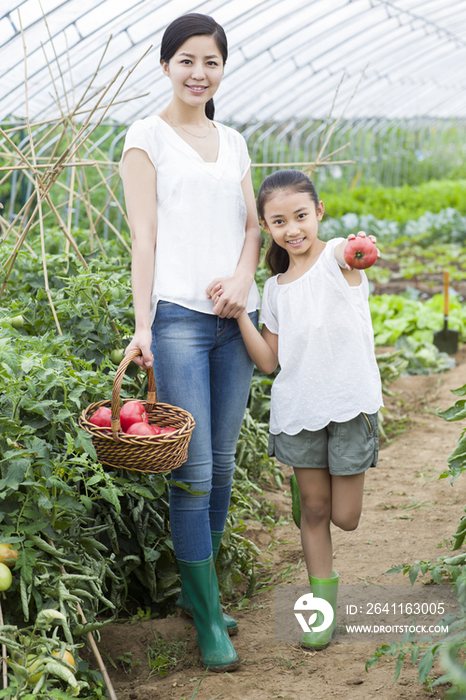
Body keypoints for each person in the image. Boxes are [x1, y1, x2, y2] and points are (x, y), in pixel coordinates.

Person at [120, 13, 261, 672]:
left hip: (233, 323)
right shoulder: (145, 137)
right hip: (176, 319)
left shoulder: (234, 140)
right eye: (187, 61)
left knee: (225, 464)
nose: (199, 73)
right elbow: (143, 237)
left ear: (222, 68)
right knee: (192, 472)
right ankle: (208, 620)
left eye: (210, 61)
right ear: (166, 66)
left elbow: (252, 229)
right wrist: (143, 325)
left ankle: (202, 602)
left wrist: (241, 280)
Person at [213, 169, 383, 650]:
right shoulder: (276, 289)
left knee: (345, 517)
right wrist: (242, 311)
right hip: (299, 409)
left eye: (301, 216)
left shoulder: (336, 260)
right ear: (266, 228)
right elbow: (269, 361)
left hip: (349, 405)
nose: (293, 229)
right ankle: (321, 613)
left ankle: (314, 499)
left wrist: (360, 245)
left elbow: (355, 251)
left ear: (319, 213)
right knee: (315, 511)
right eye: (279, 221)